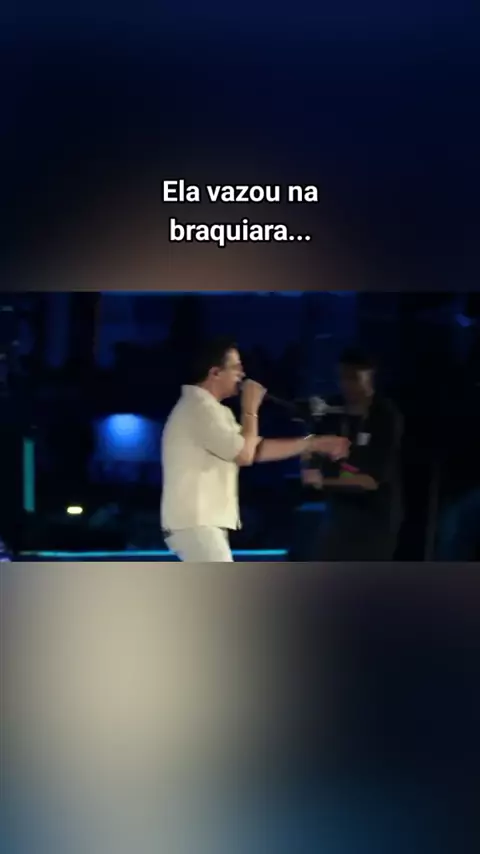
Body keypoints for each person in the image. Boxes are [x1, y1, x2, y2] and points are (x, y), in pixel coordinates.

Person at [161, 337, 349, 561]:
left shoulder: (212, 410)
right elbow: (245, 454)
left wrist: (312, 443)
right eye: (236, 367)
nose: (242, 374)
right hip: (196, 521)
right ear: (215, 373)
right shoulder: (199, 408)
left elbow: (254, 449)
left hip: (201, 522)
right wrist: (250, 409)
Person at [302, 347, 403, 560]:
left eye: (353, 378)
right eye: (342, 377)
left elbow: (370, 480)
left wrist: (323, 481)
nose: (346, 384)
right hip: (338, 512)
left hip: (375, 516)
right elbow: (312, 449)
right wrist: (310, 461)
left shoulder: (385, 415)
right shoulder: (332, 410)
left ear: (370, 375)